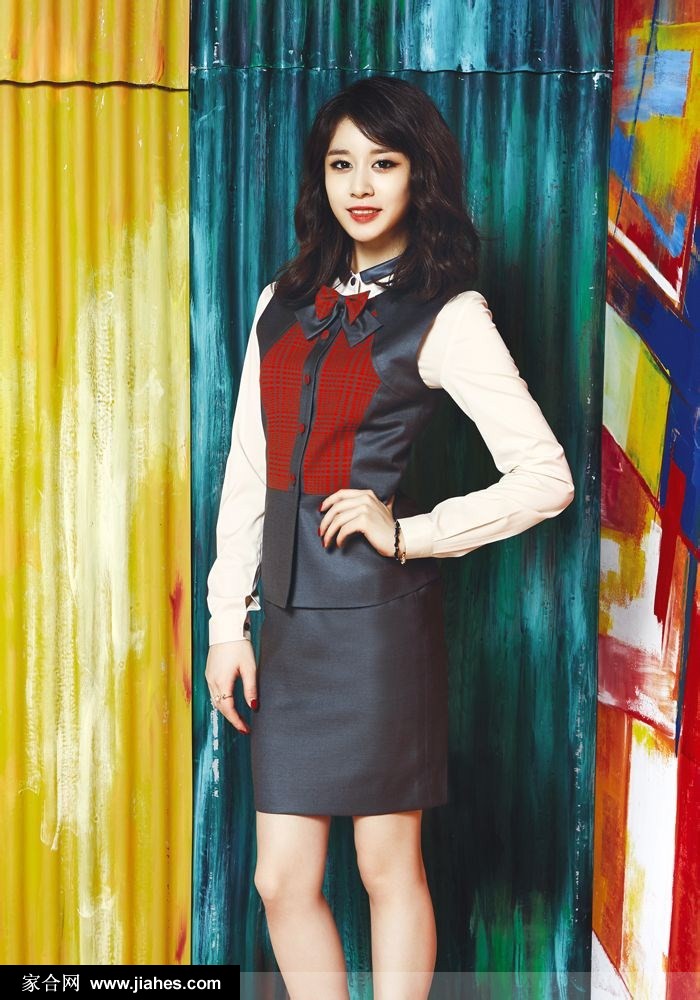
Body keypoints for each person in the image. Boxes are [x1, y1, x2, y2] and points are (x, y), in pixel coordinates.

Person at [205, 75, 575, 1000]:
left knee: (385, 867)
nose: (361, 186)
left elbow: (547, 477)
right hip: (287, 626)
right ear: (321, 178)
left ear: (420, 175)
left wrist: (409, 532)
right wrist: (225, 623)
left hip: (376, 626)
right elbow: (249, 469)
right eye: (342, 165)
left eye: (385, 163)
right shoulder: (279, 301)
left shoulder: (448, 312)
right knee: (280, 879)